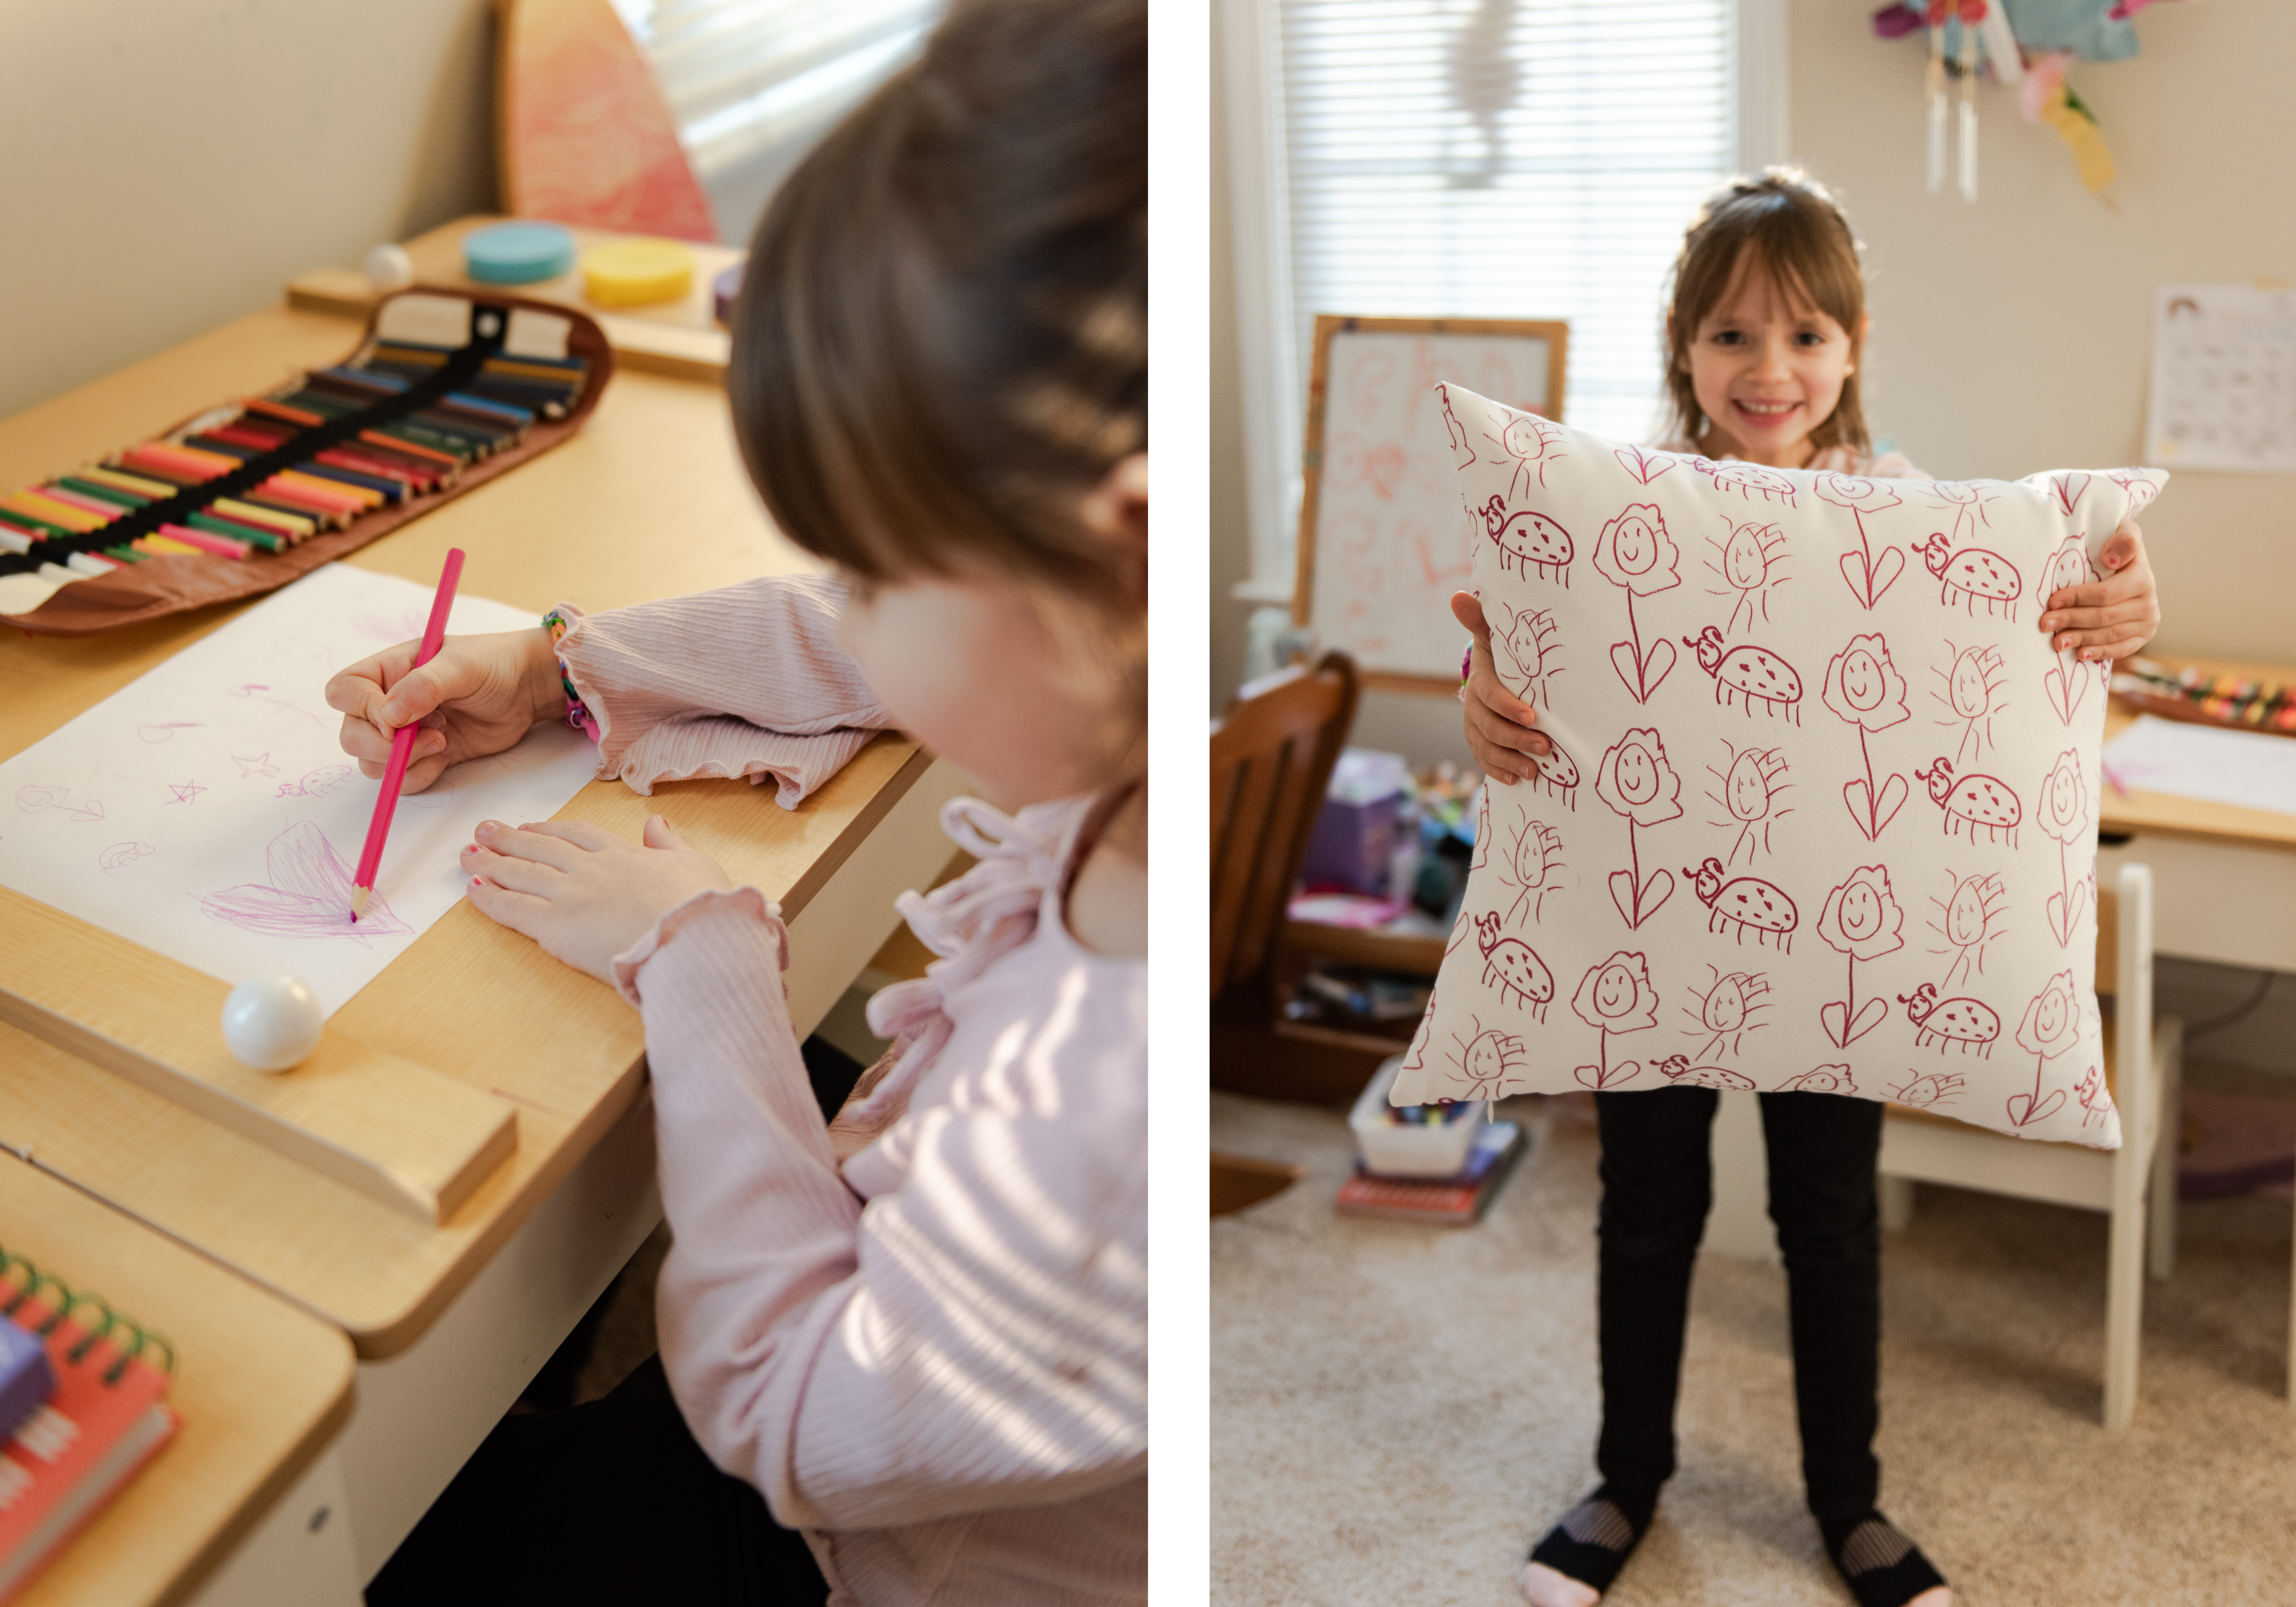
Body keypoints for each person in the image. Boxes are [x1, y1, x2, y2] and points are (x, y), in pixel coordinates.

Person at [341, 3, 1147, 1602]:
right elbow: (854, 639)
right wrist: (567, 664)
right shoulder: (1118, 708)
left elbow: (785, 1405)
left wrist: (702, 957)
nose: (842, 597)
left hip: (878, 1529)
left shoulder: (1098, 1112)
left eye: (871, 555)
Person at [1452, 169, 2160, 1607]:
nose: (1767, 371)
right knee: (1643, 1209)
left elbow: (2031, 639)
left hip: (1832, 943)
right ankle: (1626, 1480)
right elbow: (1538, 667)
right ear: (1678, 347)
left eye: (1803, 338)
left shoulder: (1904, 514)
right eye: (1729, 337)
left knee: (1824, 1222)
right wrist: (1481, 691)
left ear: (1849, 350)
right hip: (1651, 925)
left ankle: (1849, 1499)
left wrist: (2124, 610)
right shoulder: (1611, 507)